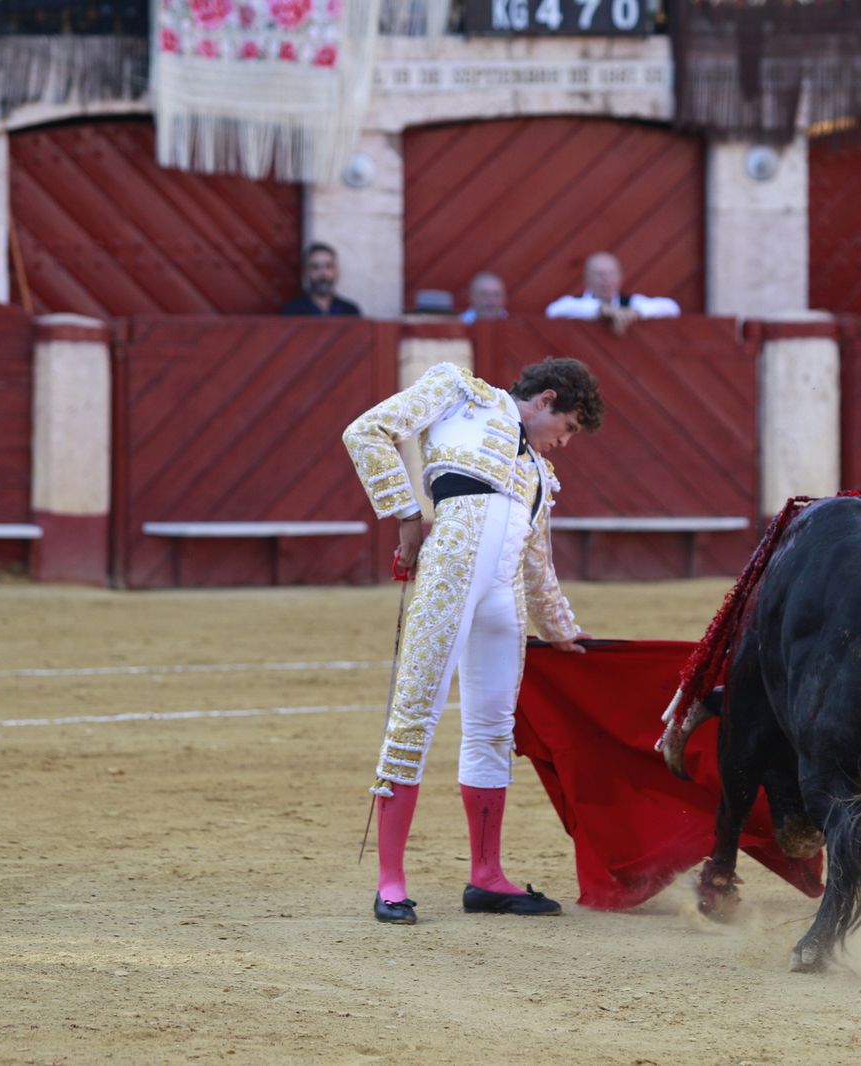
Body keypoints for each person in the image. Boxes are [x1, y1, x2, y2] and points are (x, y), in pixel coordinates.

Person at [342, 356, 604, 926]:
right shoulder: (462, 392)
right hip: (448, 574)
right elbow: (365, 431)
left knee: (492, 728)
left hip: (502, 599)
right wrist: (407, 514)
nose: (565, 443)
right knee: (414, 715)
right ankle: (390, 882)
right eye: (569, 427)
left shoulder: (537, 475)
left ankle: (486, 876)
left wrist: (561, 630)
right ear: (546, 400)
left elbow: (538, 564)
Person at [545, 252, 679, 336]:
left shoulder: (631, 302)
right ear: (587, 277)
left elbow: (671, 307)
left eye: (611, 273)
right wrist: (602, 310)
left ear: (620, 276)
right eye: (600, 274)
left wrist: (635, 313)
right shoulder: (574, 303)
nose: (607, 279)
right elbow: (553, 311)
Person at [280, 242, 362, 316]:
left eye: (328, 266)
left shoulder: (350, 311)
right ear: (306, 272)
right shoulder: (292, 312)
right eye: (315, 267)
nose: (323, 274)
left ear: (336, 271)